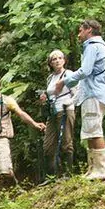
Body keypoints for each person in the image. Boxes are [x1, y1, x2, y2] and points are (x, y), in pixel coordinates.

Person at [56, 19, 105, 180]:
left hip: (95, 93)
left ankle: (101, 170)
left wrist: (64, 81)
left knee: (94, 130)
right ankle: (92, 169)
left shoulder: (92, 46)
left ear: (89, 30)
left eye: (81, 31)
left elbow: (85, 71)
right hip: (98, 92)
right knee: (89, 130)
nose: (79, 34)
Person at [39, 50, 78, 180]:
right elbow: (50, 93)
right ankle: (52, 176)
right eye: (54, 59)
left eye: (60, 58)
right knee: (48, 145)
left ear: (64, 60)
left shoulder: (69, 74)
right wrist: (44, 97)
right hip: (52, 111)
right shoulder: (50, 78)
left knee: (66, 141)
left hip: (66, 109)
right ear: (50, 62)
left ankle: (68, 173)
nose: (57, 61)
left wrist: (70, 103)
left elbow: (78, 93)